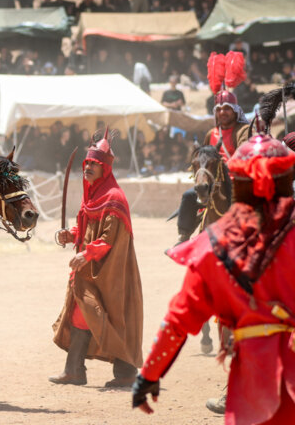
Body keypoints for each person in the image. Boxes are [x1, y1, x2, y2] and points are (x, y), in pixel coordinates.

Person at [132, 133, 295, 424]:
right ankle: (183, 229)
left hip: (253, 384)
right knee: (188, 200)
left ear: (239, 183)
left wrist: (149, 375)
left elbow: (178, 320)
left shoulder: (212, 248)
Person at [50, 131, 143, 388]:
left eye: (94, 164)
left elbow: (107, 239)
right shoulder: (91, 196)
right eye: (87, 163)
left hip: (108, 270)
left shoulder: (114, 197)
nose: (88, 167)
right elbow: (87, 229)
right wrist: (70, 235)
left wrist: (86, 253)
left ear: (105, 168)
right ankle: (77, 370)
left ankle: (119, 372)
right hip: (89, 268)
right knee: (84, 312)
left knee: (103, 313)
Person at [175, 54, 249, 244]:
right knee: (189, 195)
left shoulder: (245, 130)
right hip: (214, 180)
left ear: (235, 111)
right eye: (219, 109)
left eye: (227, 108)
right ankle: (184, 237)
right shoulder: (211, 133)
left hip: (238, 181)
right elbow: (204, 156)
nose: (222, 112)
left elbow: (244, 155)